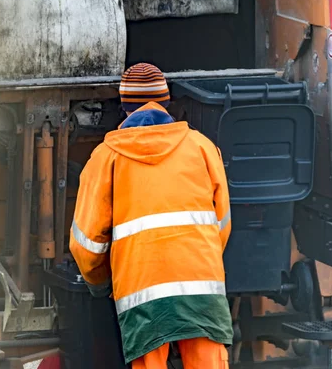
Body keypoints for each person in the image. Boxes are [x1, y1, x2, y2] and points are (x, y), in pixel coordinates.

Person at [69, 63, 233, 369]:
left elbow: (87, 244)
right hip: (202, 289)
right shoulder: (202, 148)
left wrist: (101, 284)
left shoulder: (106, 158)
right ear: (168, 103)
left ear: (123, 109)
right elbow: (221, 224)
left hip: (141, 295)